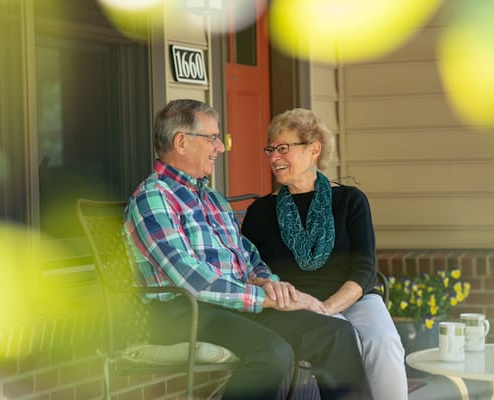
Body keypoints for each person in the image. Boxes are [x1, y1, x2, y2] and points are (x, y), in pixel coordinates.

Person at [124, 99, 373, 400]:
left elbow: (248, 256)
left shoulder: (212, 199)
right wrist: (264, 298)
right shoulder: (153, 199)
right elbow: (192, 278)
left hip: (234, 306)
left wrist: (269, 282)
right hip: (184, 313)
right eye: (212, 138)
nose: (220, 147)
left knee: (335, 334)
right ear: (181, 142)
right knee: (272, 353)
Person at [241, 108, 408, 400]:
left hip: (353, 298)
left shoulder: (349, 200)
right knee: (344, 341)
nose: (274, 157)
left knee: (385, 342)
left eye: (284, 148)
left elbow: (365, 268)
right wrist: (308, 306)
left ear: (314, 149)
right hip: (299, 304)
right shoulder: (260, 212)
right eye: (271, 149)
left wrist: (329, 307)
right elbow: (250, 269)